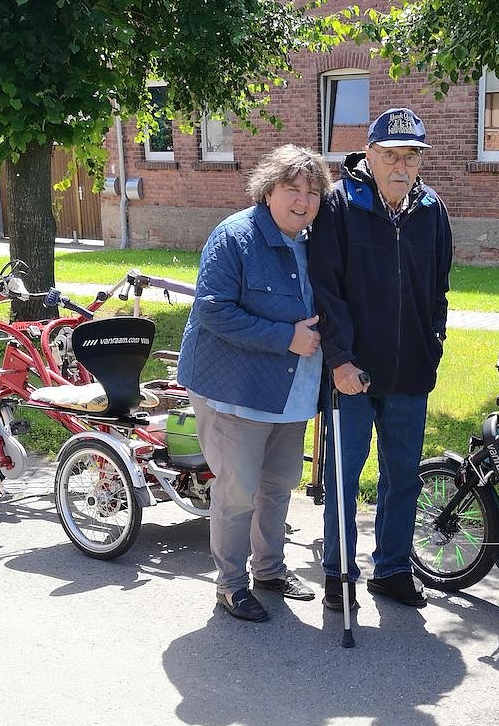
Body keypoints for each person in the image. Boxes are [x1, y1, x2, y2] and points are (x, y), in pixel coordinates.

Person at [176, 144, 333, 622]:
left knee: (279, 485)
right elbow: (213, 310)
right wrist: (286, 338)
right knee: (238, 491)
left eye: (312, 192)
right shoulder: (235, 236)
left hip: (292, 392)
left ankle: (269, 570)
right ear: (268, 191)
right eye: (292, 189)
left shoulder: (316, 242)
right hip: (237, 391)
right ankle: (230, 584)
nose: (303, 201)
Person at [308, 107, 452, 611]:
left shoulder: (431, 210)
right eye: (391, 155)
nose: (402, 166)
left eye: (411, 156)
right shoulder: (339, 204)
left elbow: (438, 288)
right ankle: (338, 573)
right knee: (344, 478)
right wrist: (339, 360)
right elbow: (325, 290)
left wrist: (433, 341)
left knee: (403, 478)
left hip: (411, 371)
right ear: (369, 155)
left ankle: (391, 570)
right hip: (353, 373)